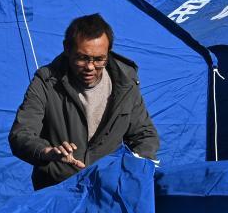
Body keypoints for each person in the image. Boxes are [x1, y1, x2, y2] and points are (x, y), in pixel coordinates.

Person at [9, 14, 159, 189]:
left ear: (108, 51)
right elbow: (21, 135)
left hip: (109, 189)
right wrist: (47, 151)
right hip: (57, 191)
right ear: (67, 49)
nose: (90, 67)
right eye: (82, 58)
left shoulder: (126, 83)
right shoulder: (46, 82)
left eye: (99, 59)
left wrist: (132, 168)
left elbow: (144, 135)